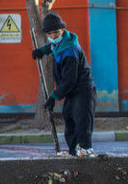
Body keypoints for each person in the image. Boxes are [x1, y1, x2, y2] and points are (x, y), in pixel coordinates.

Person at [31, 12, 95, 157]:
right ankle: (74, 153)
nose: (53, 36)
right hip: (71, 91)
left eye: (56, 32)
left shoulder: (70, 50)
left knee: (81, 121)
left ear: (62, 30)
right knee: (69, 118)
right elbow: (52, 47)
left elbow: (70, 79)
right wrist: (42, 51)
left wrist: (54, 96)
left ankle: (85, 151)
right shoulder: (59, 43)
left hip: (82, 90)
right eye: (50, 34)